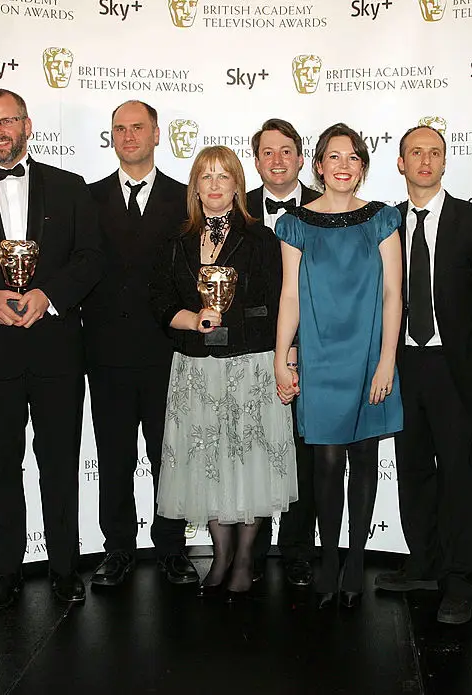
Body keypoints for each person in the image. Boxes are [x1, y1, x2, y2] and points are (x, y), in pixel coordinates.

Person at [0, 89, 102, 612]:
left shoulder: (70, 188)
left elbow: (90, 257)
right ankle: (5, 572)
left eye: (8, 121)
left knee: (58, 465)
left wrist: (48, 295)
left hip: (56, 352)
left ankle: (64, 569)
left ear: (27, 125)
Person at [149, 145, 297, 599]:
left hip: (250, 365)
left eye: (223, 177)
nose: (214, 185)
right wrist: (193, 319)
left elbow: (278, 304)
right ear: (195, 186)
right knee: (209, 464)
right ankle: (221, 554)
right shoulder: (176, 241)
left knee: (249, 461)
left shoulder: (261, 239)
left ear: (237, 185)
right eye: (206, 177)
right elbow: (160, 302)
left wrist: (285, 354)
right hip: (197, 368)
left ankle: (245, 560)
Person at [274, 123, 403, 609]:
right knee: (326, 464)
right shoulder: (295, 223)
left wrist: (387, 360)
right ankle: (328, 556)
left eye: (353, 157)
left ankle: (355, 560)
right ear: (319, 165)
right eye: (334, 156)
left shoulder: (382, 219)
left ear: (363, 167)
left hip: (370, 354)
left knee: (364, 460)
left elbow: (394, 294)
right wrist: (281, 356)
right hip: (321, 357)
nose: (344, 165)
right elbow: (289, 296)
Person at [373, 125, 472, 625]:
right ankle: (422, 562)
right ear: (400, 162)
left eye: (434, 152)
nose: (425, 160)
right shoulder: (383, 222)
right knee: (414, 468)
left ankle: (462, 580)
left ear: (445, 162)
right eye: (415, 151)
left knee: (458, 475)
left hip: (453, 367)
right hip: (403, 365)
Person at [84, 100, 198, 588]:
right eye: (119, 129)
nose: (128, 136)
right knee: (113, 457)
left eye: (138, 128)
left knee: (167, 455)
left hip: (166, 354)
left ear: (157, 134)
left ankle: (171, 547)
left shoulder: (184, 198)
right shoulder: (86, 200)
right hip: (106, 353)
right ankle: (118, 548)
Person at [245, 118, 322, 588]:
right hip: (248, 352)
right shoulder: (234, 206)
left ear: (300, 157)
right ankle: (251, 550)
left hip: (312, 350)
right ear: (256, 160)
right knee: (252, 450)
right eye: (267, 152)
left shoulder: (325, 208)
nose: (277, 160)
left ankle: (297, 549)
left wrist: (296, 347)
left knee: (303, 453)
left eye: (286, 150)